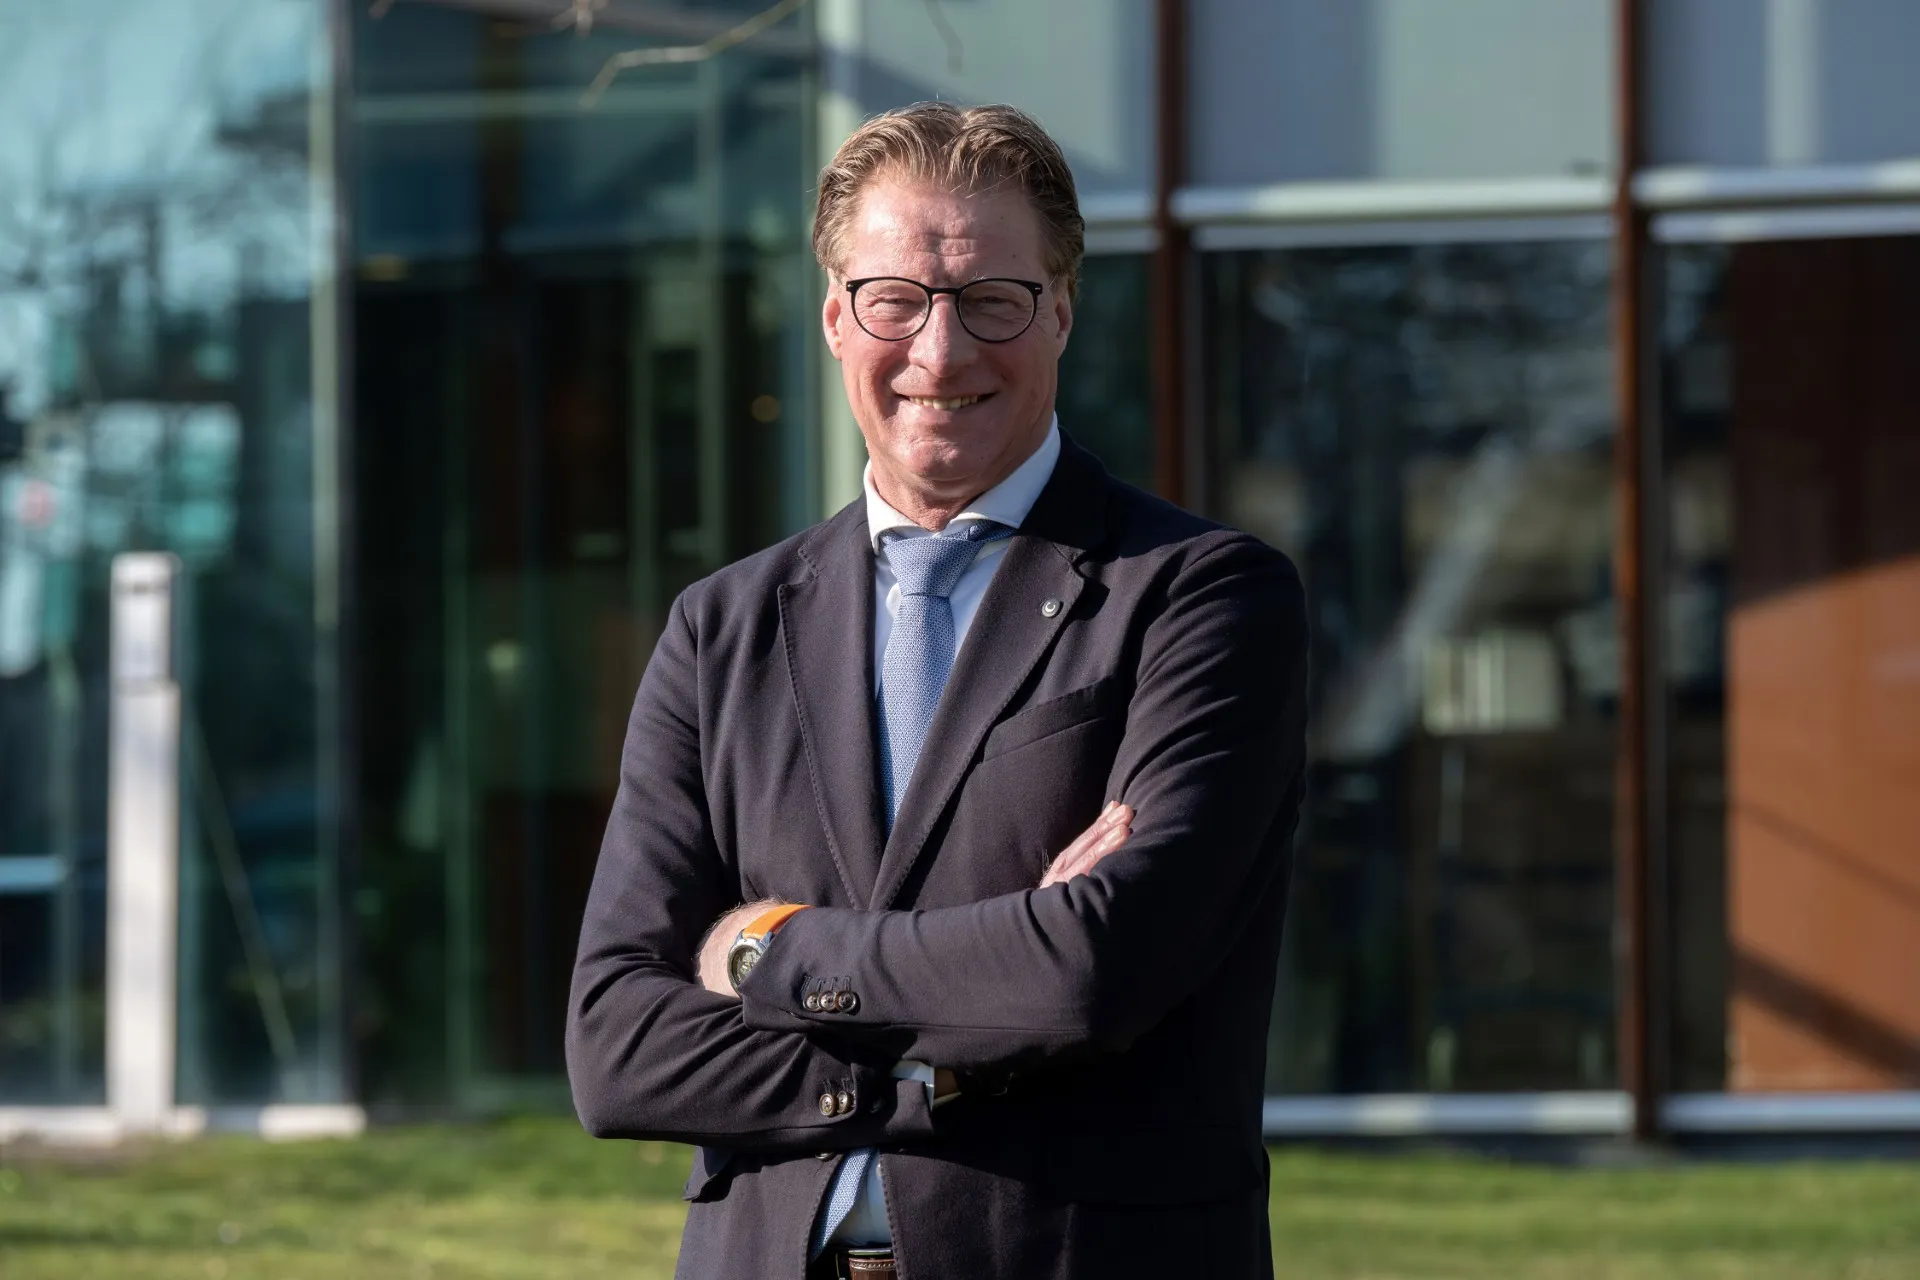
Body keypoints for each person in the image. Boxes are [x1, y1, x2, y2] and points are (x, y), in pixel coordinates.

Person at [567, 101, 1308, 1280]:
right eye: (894, 299)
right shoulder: (722, 629)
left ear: (1061, 310)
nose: (941, 350)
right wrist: (931, 1068)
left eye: (992, 298)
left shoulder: (1197, 596)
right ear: (834, 315)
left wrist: (766, 948)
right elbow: (617, 1046)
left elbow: (1090, 970)